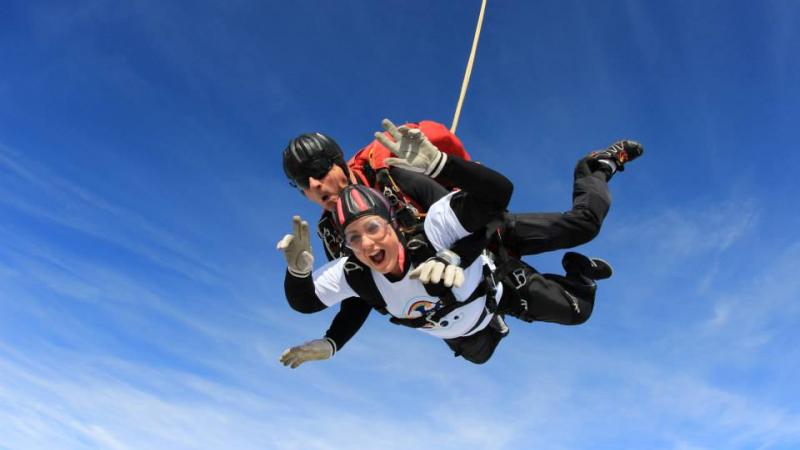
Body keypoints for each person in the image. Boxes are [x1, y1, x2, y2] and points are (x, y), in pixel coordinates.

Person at [276, 121, 624, 365]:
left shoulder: (392, 176)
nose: (315, 186)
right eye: (303, 185)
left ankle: (595, 167)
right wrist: (334, 341)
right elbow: (362, 292)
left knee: (583, 226)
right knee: (498, 342)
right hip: (456, 285)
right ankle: (573, 278)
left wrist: (454, 255)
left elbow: (480, 215)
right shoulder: (333, 232)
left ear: (339, 164)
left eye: (320, 172)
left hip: (485, 236)